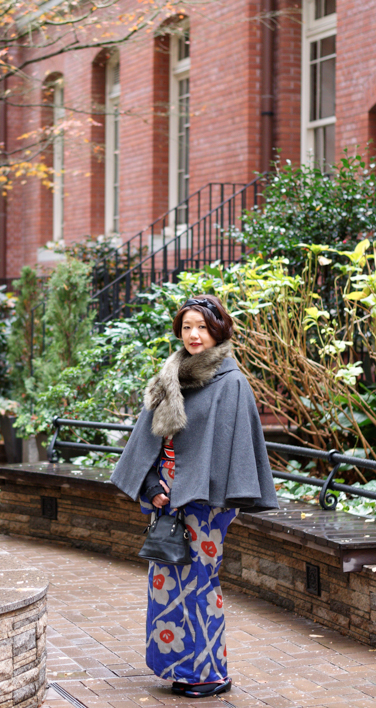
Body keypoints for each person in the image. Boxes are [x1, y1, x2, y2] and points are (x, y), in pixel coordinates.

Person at [110, 294, 278, 698]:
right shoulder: (171, 374)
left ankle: (209, 673)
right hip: (167, 498)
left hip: (206, 503)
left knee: (200, 584)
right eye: (187, 327)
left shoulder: (231, 382)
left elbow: (232, 452)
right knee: (165, 581)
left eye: (202, 327)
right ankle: (177, 667)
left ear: (217, 330)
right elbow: (150, 438)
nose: (194, 335)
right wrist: (153, 486)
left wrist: (196, 493)